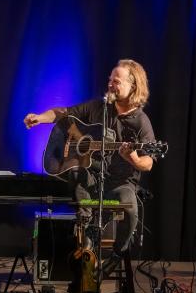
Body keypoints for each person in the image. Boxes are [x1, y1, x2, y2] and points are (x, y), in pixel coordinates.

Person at [24, 59, 156, 274]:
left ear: (134, 86)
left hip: (119, 183)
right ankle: (86, 245)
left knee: (130, 204)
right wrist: (41, 117)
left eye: (117, 81)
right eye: (110, 80)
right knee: (77, 173)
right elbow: (63, 113)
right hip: (91, 178)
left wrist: (133, 158)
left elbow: (148, 163)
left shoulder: (141, 122)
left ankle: (117, 253)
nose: (111, 84)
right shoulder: (98, 108)